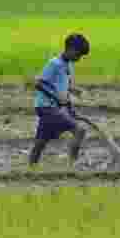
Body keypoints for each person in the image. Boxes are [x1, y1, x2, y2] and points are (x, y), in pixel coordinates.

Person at [29, 33, 90, 166]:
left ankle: (31, 167)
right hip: (46, 107)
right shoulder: (54, 64)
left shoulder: (69, 66)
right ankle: (72, 165)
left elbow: (63, 89)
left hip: (54, 108)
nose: (79, 58)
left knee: (41, 141)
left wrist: (71, 100)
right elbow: (39, 84)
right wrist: (56, 98)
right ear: (71, 49)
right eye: (79, 54)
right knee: (80, 130)